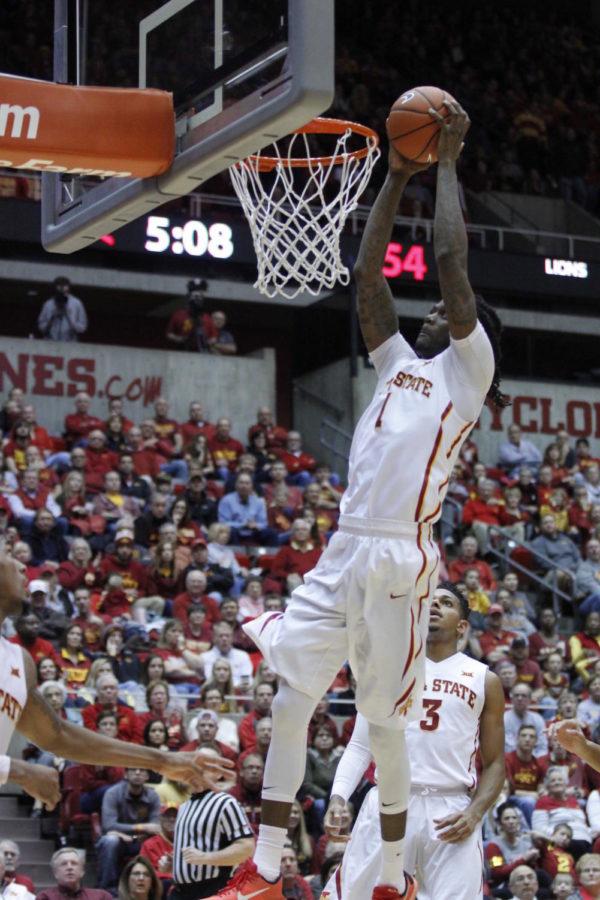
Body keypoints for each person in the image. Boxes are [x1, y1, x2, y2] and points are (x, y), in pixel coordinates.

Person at [206, 98, 506, 900]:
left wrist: (444, 162)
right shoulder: (400, 360)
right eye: (438, 311)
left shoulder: (465, 378)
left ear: (480, 337)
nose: (439, 309)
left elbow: (449, 261)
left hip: (403, 556)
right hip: (347, 543)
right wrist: (395, 175)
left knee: (382, 720)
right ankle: (264, 872)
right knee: (293, 695)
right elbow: (368, 274)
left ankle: (392, 881)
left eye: (455, 312)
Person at [0, 554, 233, 809]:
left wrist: (163, 760)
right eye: (7, 556)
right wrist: (19, 771)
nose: (23, 566)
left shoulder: (18, 661)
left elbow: (60, 736)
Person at [321, 582, 505, 900]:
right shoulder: (387, 671)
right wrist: (338, 796)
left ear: (462, 626)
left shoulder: (484, 679)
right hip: (390, 802)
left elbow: (495, 764)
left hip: (451, 810)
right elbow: (361, 745)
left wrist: (475, 813)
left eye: (445, 603)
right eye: (428, 601)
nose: (434, 606)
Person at [171, 751, 254, 899]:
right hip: (180, 892)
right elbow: (192, 855)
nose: (197, 771)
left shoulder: (225, 802)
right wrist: (175, 864)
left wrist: (206, 857)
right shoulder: (184, 807)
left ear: (218, 774)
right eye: (195, 765)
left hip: (212, 889)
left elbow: (246, 847)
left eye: (205, 767)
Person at [35, 847, 112, 900]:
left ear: (82, 871)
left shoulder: (102, 897)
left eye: (74, 863)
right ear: (55, 873)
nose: (69, 867)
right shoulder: (45, 897)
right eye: (64, 864)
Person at [37, 276, 88, 342]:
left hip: (70, 343)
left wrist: (69, 317)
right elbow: (41, 326)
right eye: (59, 286)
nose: (61, 289)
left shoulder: (76, 303)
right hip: (50, 342)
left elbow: (83, 326)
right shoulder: (48, 304)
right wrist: (52, 317)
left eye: (64, 286)